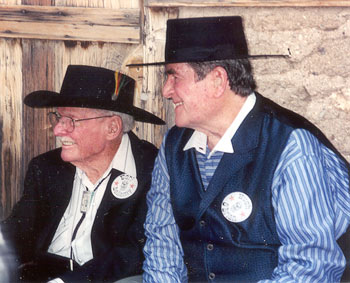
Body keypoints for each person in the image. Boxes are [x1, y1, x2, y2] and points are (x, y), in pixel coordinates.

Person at [128, 16, 350, 282]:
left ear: (217, 80)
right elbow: (162, 243)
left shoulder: (290, 145)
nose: (166, 91)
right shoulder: (173, 146)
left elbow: (311, 266)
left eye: (174, 76)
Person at [1, 65, 164, 282]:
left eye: (72, 120)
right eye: (58, 117)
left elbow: (135, 252)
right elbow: (19, 230)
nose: (58, 129)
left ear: (112, 128)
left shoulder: (151, 171)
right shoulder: (46, 167)